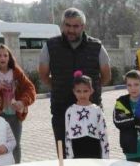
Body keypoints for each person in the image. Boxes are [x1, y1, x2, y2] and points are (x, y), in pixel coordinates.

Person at [38, 8, 111, 148]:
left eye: (75, 26)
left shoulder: (96, 47)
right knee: (65, 154)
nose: (71, 30)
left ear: (83, 26)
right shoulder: (50, 46)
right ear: (62, 25)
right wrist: (59, 87)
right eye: (67, 25)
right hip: (61, 111)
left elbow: (106, 76)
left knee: (92, 153)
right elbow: (43, 76)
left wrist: (91, 90)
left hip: (90, 111)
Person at [0, 43, 36, 163]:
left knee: (15, 144)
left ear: (10, 57)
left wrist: (22, 102)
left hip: (15, 115)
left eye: (5, 55)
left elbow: (30, 89)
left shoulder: (16, 71)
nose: (2, 58)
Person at [65, 71, 109, 159]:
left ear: (91, 91)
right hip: (76, 149)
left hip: (94, 148)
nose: (82, 94)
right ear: (74, 91)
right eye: (78, 91)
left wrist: (105, 157)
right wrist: (69, 157)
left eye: (85, 91)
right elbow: (67, 135)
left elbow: (103, 133)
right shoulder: (70, 111)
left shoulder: (97, 110)